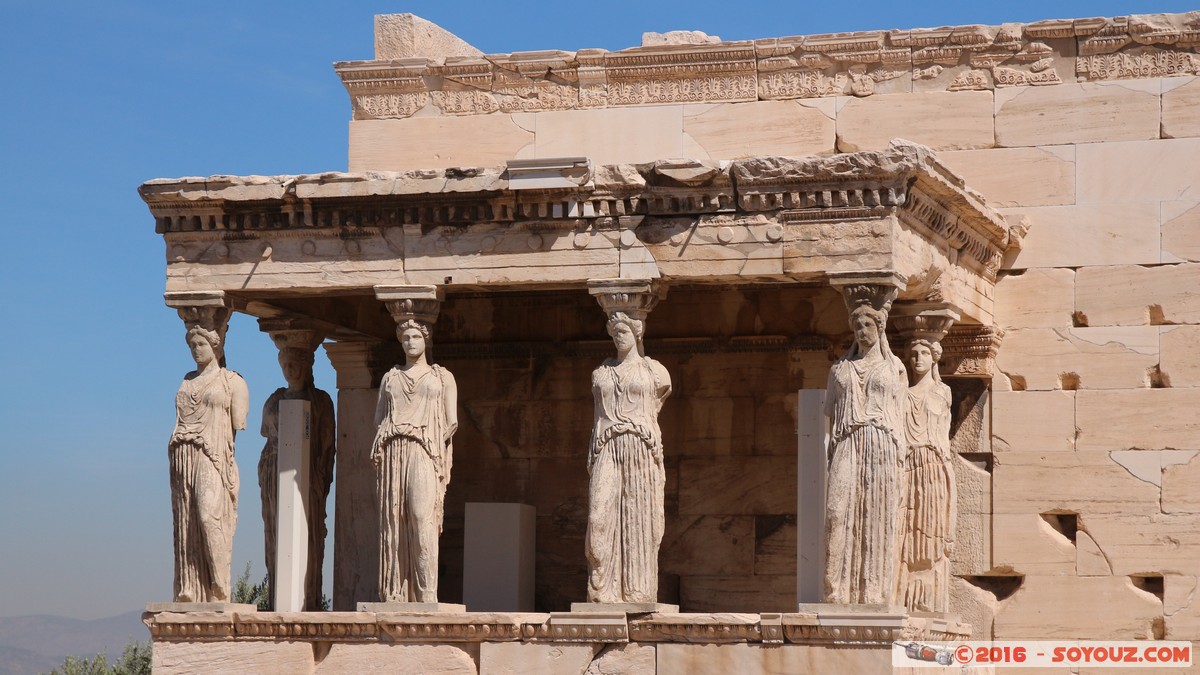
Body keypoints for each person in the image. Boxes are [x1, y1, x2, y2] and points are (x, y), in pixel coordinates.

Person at [823, 304, 908, 605]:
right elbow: (831, 414)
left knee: (876, 514)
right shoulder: (839, 369)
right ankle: (835, 590)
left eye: (868, 325)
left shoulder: (895, 368)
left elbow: (901, 415)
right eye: (857, 326)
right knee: (836, 511)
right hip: (847, 441)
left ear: (880, 327)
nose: (862, 331)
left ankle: (873, 593)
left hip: (882, 443)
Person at [586, 312, 672, 603]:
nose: (617, 338)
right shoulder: (601, 373)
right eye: (613, 333)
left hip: (640, 446)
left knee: (638, 516)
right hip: (607, 445)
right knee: (598, 517)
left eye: (622, 331)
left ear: (637, 333)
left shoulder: (656, 372)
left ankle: (637, 591)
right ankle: (602, 590)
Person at [372, 319, 458, 603]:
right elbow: (378, 418)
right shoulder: (390, 377)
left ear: (426, 339)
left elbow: (451, 422)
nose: (410, 342)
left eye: (416, 336)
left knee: (422, 517)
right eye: (405, 337)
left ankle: (427, 592)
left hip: (424, 449)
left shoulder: (442, 377)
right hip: (393, 450)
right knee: (395, 521)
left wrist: (428, 439)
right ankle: (395, 592)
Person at [168, 325, 249, 602]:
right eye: (192, 346)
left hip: (213, 454)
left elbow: (237, 423)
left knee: (208, 514)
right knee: (186, 520)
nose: (196, 350)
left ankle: (219, 584)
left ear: (216, 346)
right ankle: (191, 588)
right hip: (183, 454)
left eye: (201, 344)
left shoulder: (232, 382)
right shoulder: (187, 380)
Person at [258, 346, 335, 611]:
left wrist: (321, 478)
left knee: (309, 534)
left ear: (307, 365)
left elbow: (327, 447)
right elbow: (266, 435)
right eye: (285, 364)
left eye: (295, 363)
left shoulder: (321, 401)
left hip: (309, 476)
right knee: (277, 533)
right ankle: (277, 596)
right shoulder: (274, 400)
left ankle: (308, 597)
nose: (290, 369)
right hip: (275, 471)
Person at [901, 339, 956, 612]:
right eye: (913, 354)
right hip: (907, 466)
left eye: (924, 353)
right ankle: (906, 593)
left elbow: (943, 435)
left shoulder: (943, 392)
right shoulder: (903, 394)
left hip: (934, 465)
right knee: (906, 530)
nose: (918, 359)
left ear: (934, 358)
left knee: (932, 529)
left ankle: (928, 596)